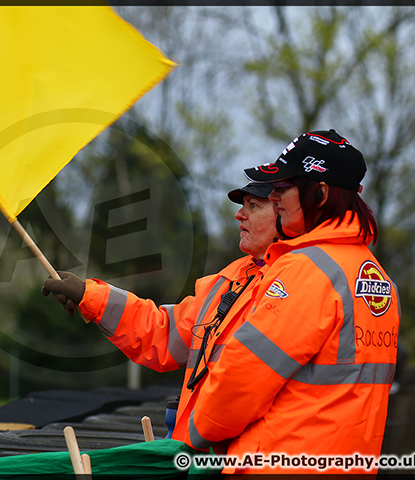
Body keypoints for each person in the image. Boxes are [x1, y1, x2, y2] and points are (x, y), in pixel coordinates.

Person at [185, 129, 400, 474]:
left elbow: (243, 376)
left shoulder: (307, 269)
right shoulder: (377, 279)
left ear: (320, 193)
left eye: (283, 187)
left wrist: (195, 433)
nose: (274, 196)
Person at [42, 181, 281, 447]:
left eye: (254, 206)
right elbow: (164, 333)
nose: (240, 214)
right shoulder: (229, 280)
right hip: (211, 456)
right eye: (243, 205)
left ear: (285, 212)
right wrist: (89, 296)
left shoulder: (295, 286)